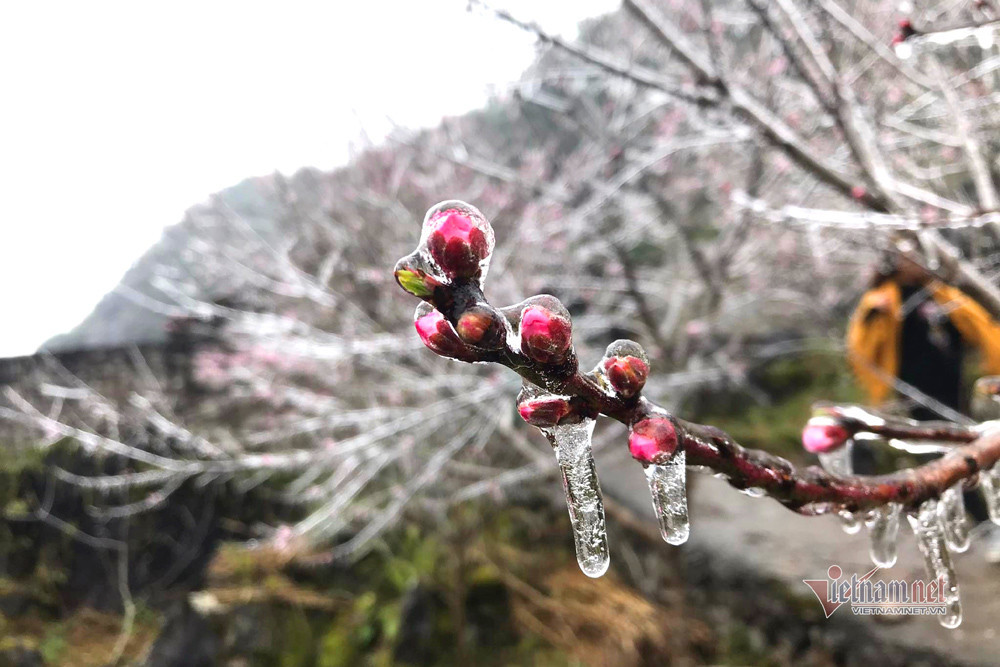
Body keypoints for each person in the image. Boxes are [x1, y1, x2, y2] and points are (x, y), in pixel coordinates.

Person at [847, 252, 1000, 560]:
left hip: (953, 391)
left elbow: (980, 327)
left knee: (964, 454)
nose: (916, 261)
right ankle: (981, 524)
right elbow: (860, 346)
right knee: (950, 458)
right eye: (908, 256)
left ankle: (968, 522)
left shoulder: (942, 294)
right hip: (913, 393)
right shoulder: (883, 299)